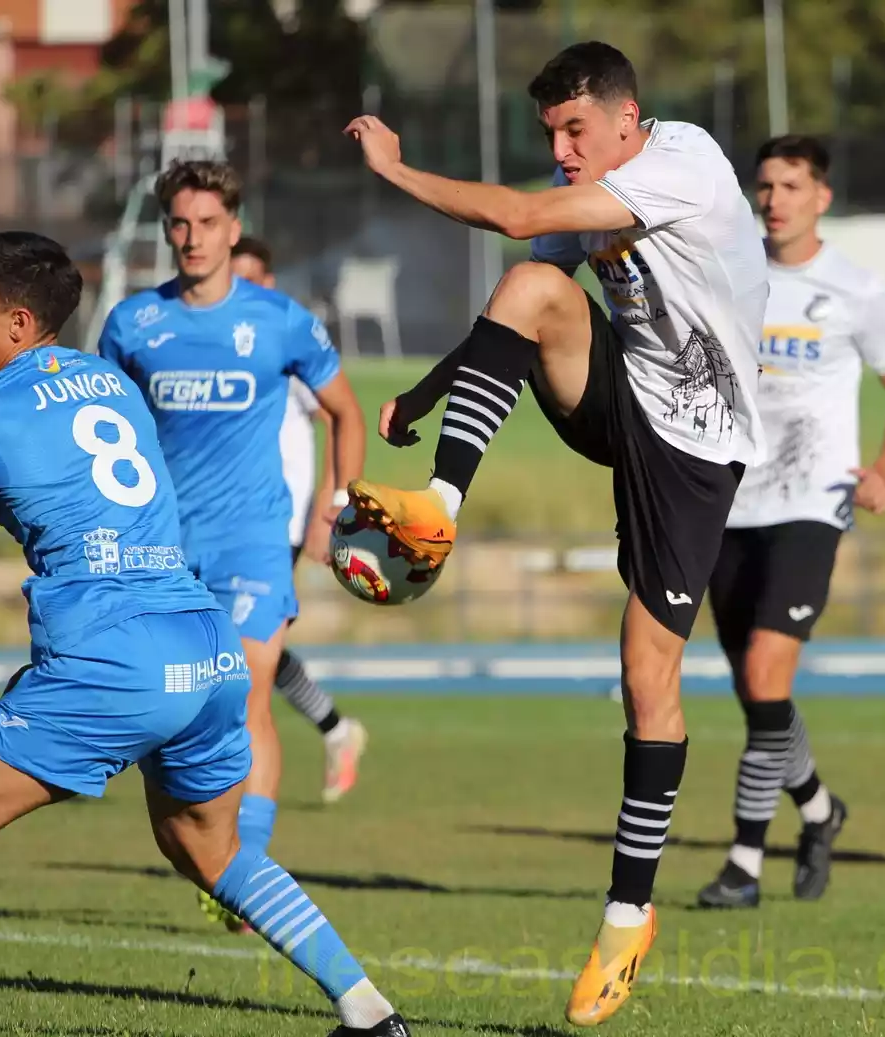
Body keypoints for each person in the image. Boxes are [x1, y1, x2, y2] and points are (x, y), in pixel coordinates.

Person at [341, 41, 767, 1026]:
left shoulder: (682, 165)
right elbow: (519, 306)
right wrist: (428, 388)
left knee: (646, 676)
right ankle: (439, 506)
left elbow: (523, 213)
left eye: (576, 131)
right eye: (551, 135)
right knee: (537, 287)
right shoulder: (593, 186)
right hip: (619, 399)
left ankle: (628, 914)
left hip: (698, 449)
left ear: (628, 119)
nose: (563, 150)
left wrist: (396, 168)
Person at [0, 231, 407, 1037]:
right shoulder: (113, 381)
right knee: (210, 851)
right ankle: (368, 1010)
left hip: (109, 654)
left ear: (21, 322)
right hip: (207, 647)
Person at [98, 162, 367, 934]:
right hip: (161, 548)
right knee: (184, 707)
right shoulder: (133, 325)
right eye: (178, 224)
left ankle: (246, 867)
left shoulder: (279, 320)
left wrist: (338, 502)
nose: (191, 238)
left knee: (251, 689)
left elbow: (345, 412)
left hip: (253, 538)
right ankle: (210, 847)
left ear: (232, 227)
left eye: (207, 224)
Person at [696, 135, 885, 910]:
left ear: (820, 196)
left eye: (790, 185)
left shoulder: (855, 290)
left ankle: (742, 864)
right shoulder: (732, 276)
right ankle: (821, 809)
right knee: (757, 692)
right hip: (732, 500)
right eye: (765, 185)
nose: (774, 199)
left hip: (811, 501)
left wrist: (884, 473)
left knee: (765, 675)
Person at [230, 236, 370, 806]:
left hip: (279, 523)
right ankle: (337, 730)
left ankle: (239, 799)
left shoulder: (286, 339)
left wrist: (328, 509)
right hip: (221, 523)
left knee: (247, 648)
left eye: (251, 278)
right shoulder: (214, 342)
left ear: (268, 281)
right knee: (242, 645)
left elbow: (340, 417)